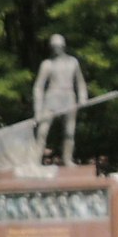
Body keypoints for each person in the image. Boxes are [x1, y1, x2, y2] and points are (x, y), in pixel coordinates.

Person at [32, 35, 88, 167]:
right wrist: (38, 110)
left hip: (69, 98)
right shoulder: (47, 64)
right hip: (52, 98)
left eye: (58, 46)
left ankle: (68, 159)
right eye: (53, 47)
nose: (55, 49)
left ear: (63, 46)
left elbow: (80, 82)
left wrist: (82, 97)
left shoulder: (73, 62)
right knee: (42, 132)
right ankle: (35, 161)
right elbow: (38, 87)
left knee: (69, 132)